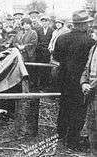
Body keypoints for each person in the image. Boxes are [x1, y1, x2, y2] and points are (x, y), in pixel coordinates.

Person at [53, 10, 95, 152]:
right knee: (78, 110)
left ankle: (61, 135)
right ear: (83, 25)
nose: (89, 25)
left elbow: (57, 58)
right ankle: (73, 140)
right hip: (80, 82)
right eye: (88, 23)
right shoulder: (91, 42)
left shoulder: (61, 38)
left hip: (64, 79)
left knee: (64, 106)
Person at [13, 17, 39, 136]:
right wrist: (18, 46)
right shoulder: (19, 33)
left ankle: (28, 87)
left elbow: (34, 43)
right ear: (22, 25)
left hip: (28, 56)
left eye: (28, 24)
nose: (26, 26)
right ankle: (21, 86)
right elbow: (15, 41)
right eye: (24, 24)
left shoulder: (33, 33)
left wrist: (26, 47)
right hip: (20, 55)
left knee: (28, 72)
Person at [80, 15, 97, 156]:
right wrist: (84, 83)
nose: (94, 32)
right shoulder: (93, 48)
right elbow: (87, 68)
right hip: (92, 95)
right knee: (92, 126)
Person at [35, 16, 54, 91]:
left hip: (48, 52)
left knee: (47, 69)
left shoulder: (52, 30)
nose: (44, 23)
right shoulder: (38, 30)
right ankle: (40, 85)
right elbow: (37, 40)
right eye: (43, 21)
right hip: (40, 52)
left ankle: (46, 84)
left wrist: (47, 48)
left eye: (45, 21)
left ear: (48, 22)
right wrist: (41, 47)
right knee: (40, 68)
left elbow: (52, 41)